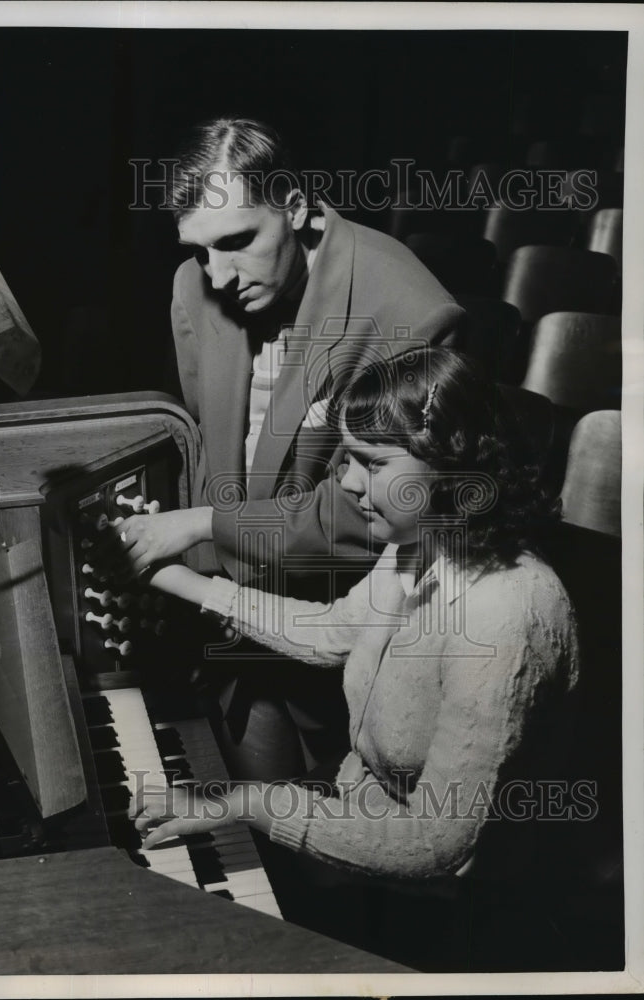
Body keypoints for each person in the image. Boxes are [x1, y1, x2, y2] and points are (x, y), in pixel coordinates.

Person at [125, 347, 581, 970]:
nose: (346, 483)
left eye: (372, 462)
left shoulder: (505, 614)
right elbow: (332, 632)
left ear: (450, 461)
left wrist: (243, 803)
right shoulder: (423, 543)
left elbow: (434, 844)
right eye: (348, 459)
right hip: (371, 855)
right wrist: (179, 580)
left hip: (459, 923)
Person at [118, 118, 465, 777]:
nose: (218, 276)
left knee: (326, 855)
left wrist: (202, 531)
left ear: (297, 208)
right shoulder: (195, 286)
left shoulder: (410, 311)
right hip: (230, 632)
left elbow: (366, 520)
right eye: (198, 250)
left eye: (238, 242)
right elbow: (197, 444)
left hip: (348, 648)